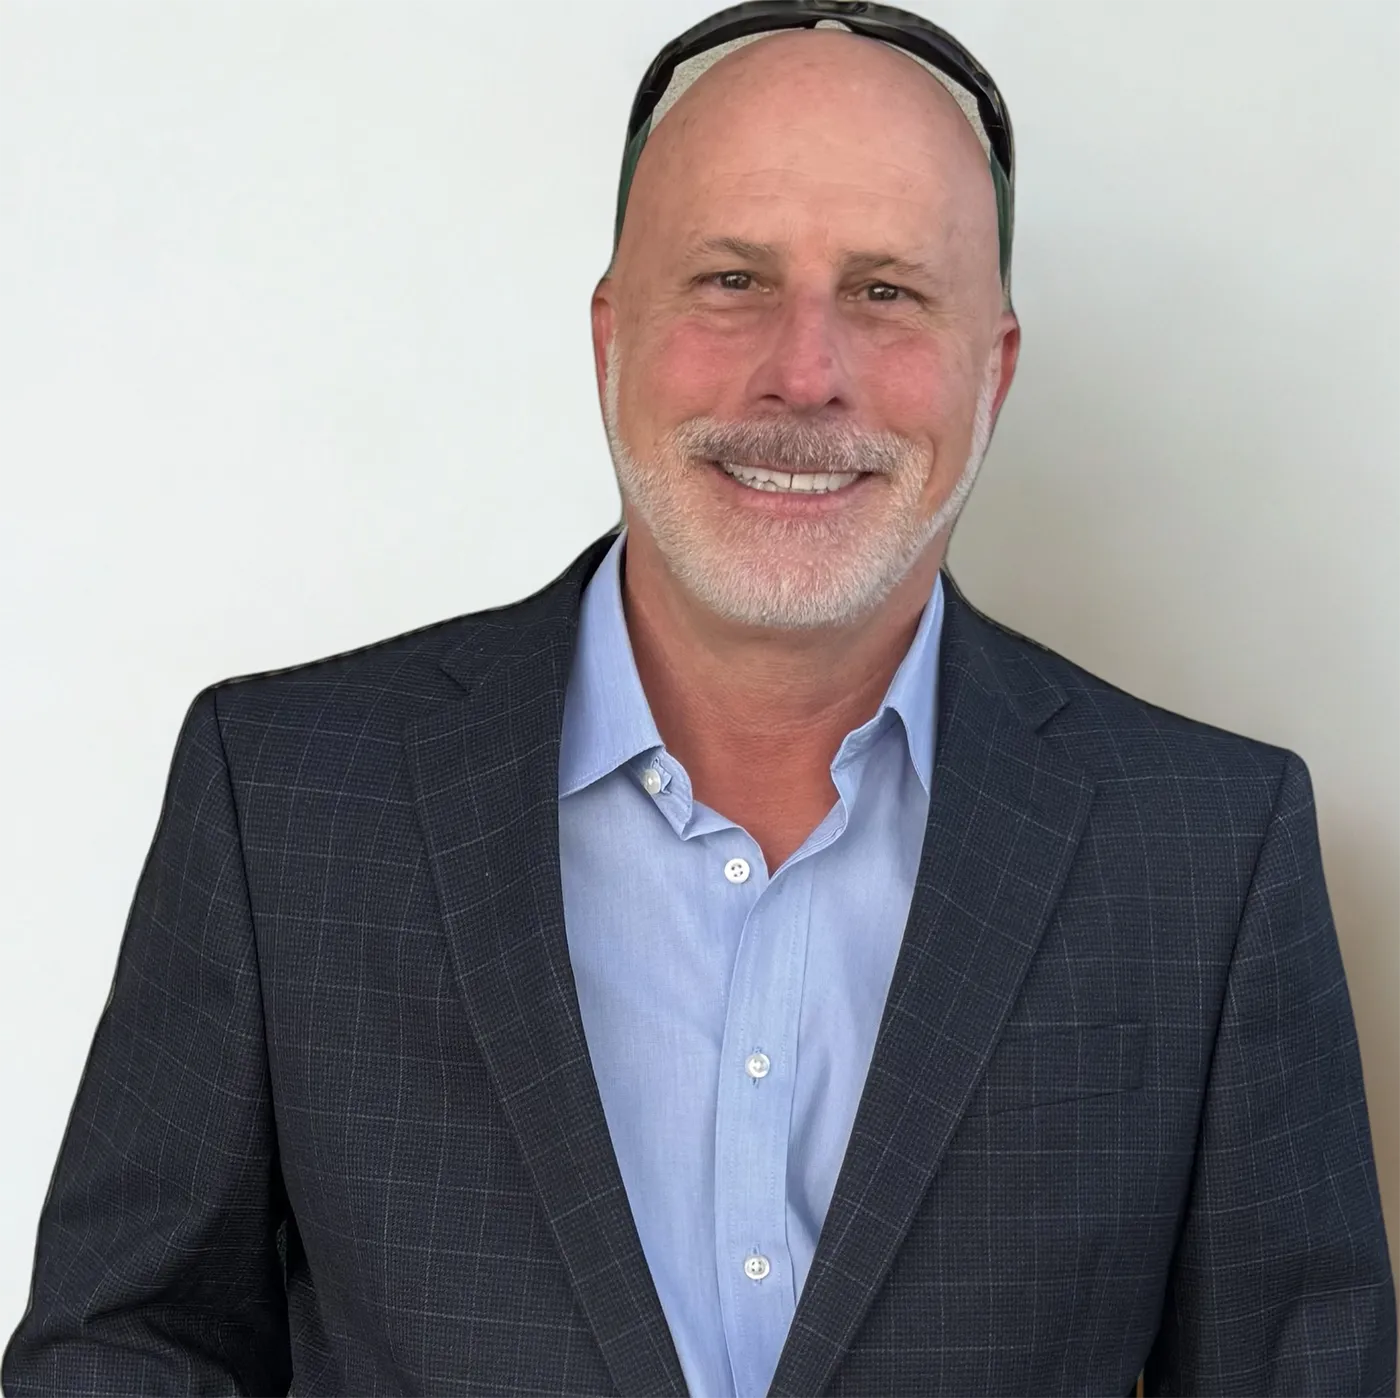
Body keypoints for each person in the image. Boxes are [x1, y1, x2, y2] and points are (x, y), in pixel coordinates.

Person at [5, 2, 1394, 1394]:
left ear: (996, 373)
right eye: (732, 278)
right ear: (611, 336)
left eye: (887, 292)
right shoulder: (288, 798)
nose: (804, 372)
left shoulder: (1208, 853)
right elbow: (123, 1352)